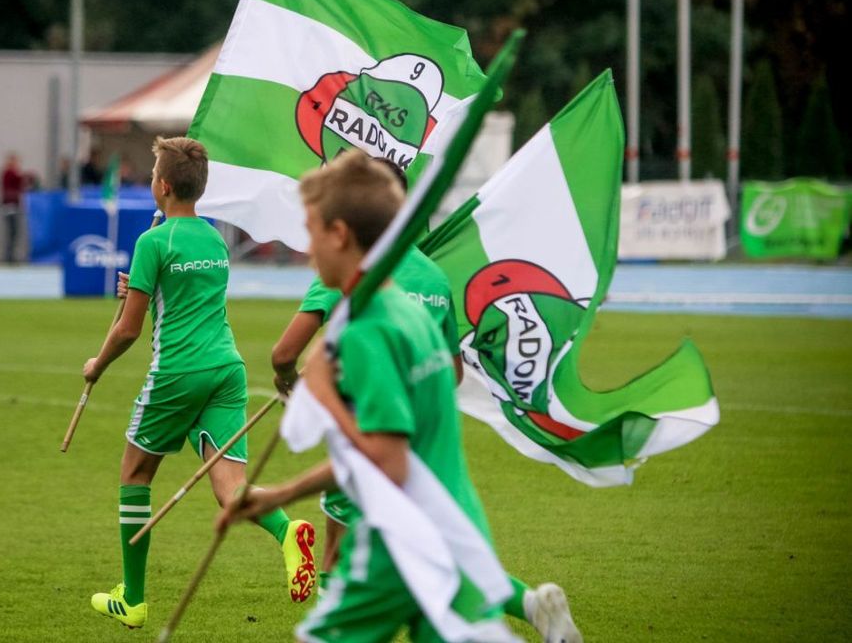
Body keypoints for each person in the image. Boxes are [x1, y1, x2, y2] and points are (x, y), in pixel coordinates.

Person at [220, 151, 581, 643]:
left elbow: (384, 463)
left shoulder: (364, 328)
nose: (307, 250)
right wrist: (282, 495)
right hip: (445, 515)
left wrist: (324, 396)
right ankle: (529, 605)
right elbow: (431, 402)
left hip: (390, 538)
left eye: (312, 232)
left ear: (340, 234)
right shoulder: (417, 304)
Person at [83, 136, 317, 630]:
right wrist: (140, 286)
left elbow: (129, 329)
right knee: (230, 487)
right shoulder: (213, 239)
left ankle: (133, 599)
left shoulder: (153, 242)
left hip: (178, 372)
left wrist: (97, 365)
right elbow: (183, 292)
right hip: (227, 370)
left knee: (135, 476)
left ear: (163, 187)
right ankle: (287, 530)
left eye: (153, 176)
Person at [271, 158, 465, 579]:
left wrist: (295, 386)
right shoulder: (434, 277)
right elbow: (453, 372)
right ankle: (527, 602)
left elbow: (284, 354)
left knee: (340, 558)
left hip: (367, 424)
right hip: (424, 436)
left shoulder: (350, 270)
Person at [0, 152, 26, 264]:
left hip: (13, 206)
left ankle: (10, 255)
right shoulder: (9, 173)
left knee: (14, 233)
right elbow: (17, 182)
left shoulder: (12, 174)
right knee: (12, 232)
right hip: (10, 206)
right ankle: (9, 256)